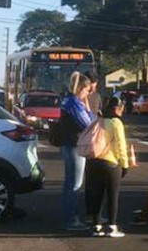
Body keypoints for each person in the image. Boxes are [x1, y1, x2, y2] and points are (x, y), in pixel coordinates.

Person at [86, 95, 131, 237]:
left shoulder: (97, 120)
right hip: (110, 163)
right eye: (122, 108)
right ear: (117, 108)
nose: (122, 111)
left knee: (96, 194)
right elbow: (120, 145)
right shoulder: (116, 123)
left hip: (93, 161)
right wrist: (125, 164)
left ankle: (96, 226)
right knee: (112, 195)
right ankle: (112, 227)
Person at [56, 73, 96, 231]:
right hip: (75, 146)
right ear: (80, 89)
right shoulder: (75, 103)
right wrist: (88, 109)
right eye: (86, 90)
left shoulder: (66, 101)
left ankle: (69, 216)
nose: (87, 94)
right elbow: (88, 124)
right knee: (75, 184)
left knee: (69, 183)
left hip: (67, 144)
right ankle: (71, 219)